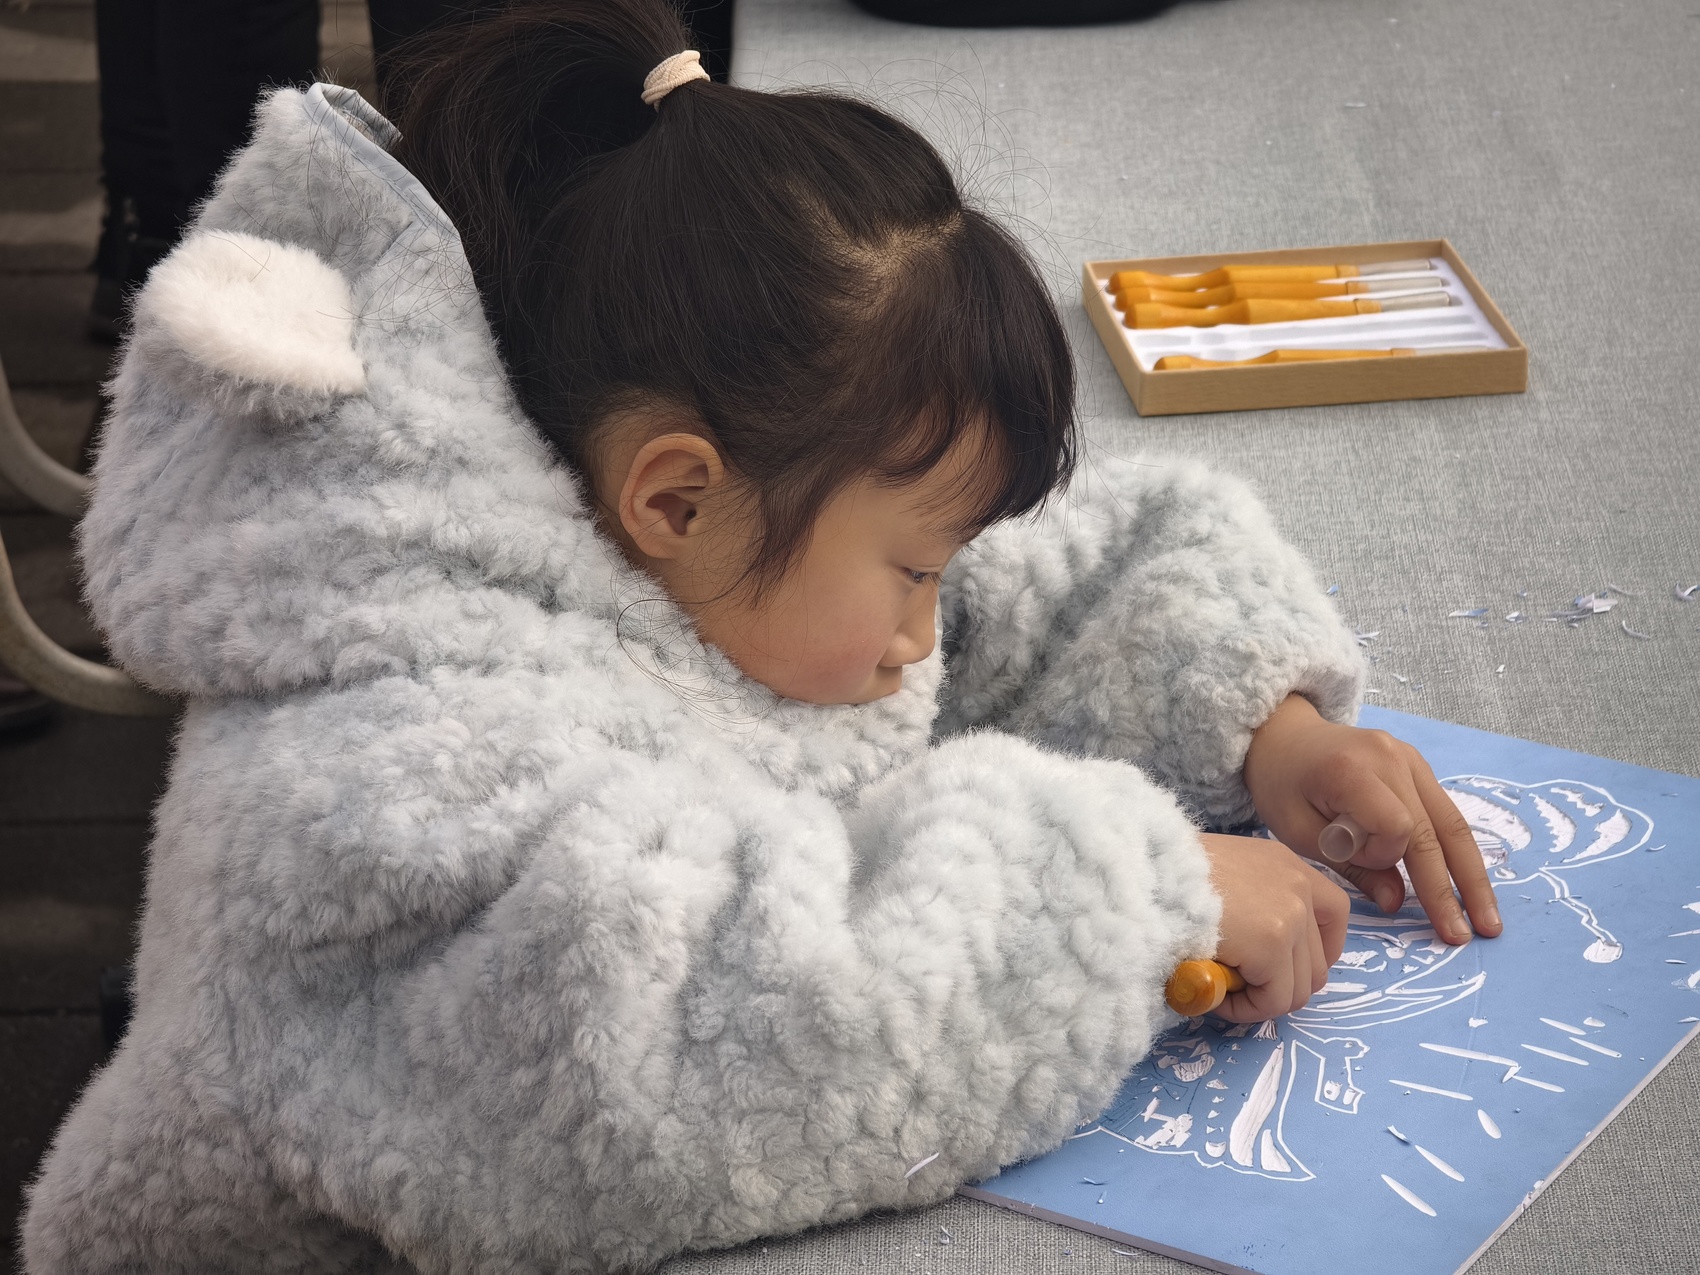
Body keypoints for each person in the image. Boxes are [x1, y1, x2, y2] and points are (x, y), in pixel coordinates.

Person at [22, 2, 1499, 1269]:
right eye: (911, 570)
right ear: (676, 496)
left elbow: (1034, 588)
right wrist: (1139, 896)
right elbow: (696, 1053)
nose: (924, 631)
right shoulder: (384, 767)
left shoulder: (679, 541)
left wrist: (1266, 725)